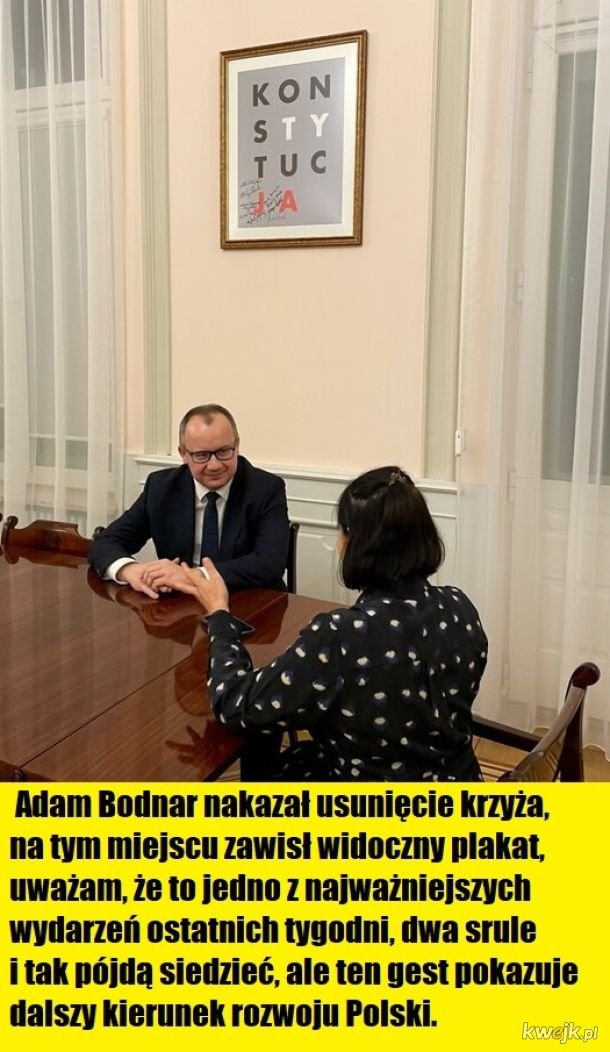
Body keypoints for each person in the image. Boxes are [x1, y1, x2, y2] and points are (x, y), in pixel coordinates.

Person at [170, 466, 488, 781]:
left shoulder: (340, 636)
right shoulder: (459, 606)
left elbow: (235, 706)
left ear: (355, 542)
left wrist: (220, 614)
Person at [88, 404, 290, 595]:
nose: (214, 465)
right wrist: (130, 570)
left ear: (236, 445)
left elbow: (269, 564)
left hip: (248, 601)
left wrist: (191, 575)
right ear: (183, 454)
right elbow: (105, 541)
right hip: (180, 604)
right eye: (201, 455)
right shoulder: (161, 488)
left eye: (223, 452)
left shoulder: (265, 489)